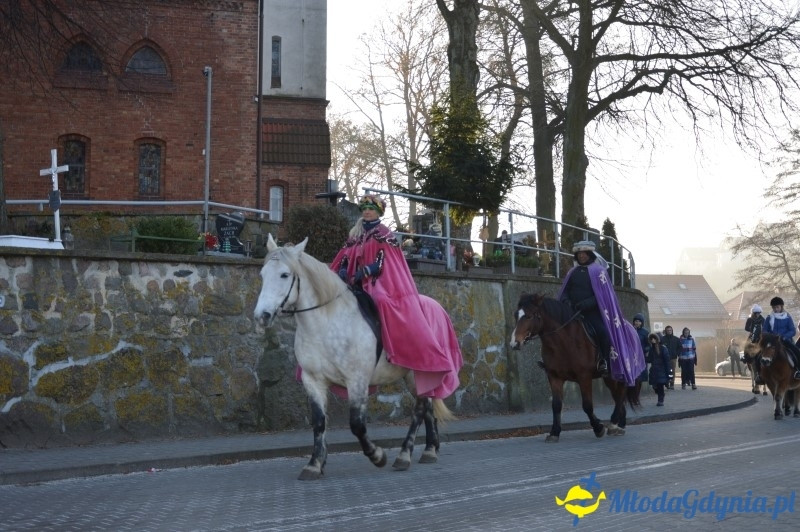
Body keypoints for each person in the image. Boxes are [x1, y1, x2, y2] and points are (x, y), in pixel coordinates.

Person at [331, 194, 462, 397]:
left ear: (378, 212)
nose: (366, 211)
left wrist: (364, 272)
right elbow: (346, 255)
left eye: (371, 208)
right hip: (354, 282)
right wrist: (343, 269)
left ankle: (392, 347)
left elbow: (382, 262)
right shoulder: (355, 234)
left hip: (378, 282)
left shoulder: (384, 233)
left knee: (382, 301)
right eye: (364, 208)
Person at [557, 240, 645, 384]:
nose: (581, 256)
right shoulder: (572, 272)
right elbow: (565, 291)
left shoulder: (599, 271)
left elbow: (603, 295)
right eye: (579, 254)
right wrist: (566, 301)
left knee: (603, 332)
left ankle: (603, 361)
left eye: (584, 254)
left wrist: (586, 304)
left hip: (593, 313)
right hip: (572, 312)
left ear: (590, 254)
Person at [761, 296, 800, 380]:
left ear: (781, 307)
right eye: (774, 307)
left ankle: (798, 371)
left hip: (785, 340)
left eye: (777, 307)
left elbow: (792, 331)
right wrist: (770, 337)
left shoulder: (787, 317)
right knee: (759, 354)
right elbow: (764, 330)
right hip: (772, 342)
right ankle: (760, 375)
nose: (775, 309)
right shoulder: (769, 317)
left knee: (796, 352)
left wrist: (784, 336)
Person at [647, 333, 671, 406]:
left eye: (654, 338)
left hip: (662, 371)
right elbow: (649, 359)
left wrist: (670, 375)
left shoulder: (663, 348)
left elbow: (667, 362)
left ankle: (660, 400)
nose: (653, 340)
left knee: (660, 386)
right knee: (655, 387)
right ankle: (661, 395)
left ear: (658, 339)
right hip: (654, 371)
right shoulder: (651, 349)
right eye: (651, 339)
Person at [744, 304, 766, 384]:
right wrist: (752, 329)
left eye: (759, 313)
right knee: (746, 346)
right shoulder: (749, 319)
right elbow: (746, 328)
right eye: (756, 313)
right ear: (753, 313)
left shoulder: (763, 319)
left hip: (760, 336)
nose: (758, 314)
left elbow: (765, 327)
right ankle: (745, 357)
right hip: (752, 335)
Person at [661, 325, 681, 389]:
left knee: (672, 371)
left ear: (672, 331)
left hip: (673, 358)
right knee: (665, 370)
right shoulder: (662, 339)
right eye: (668, 330)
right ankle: (666, 382)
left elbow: (680, 348)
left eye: (670, 330)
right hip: (664, 358)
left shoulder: (676, 339)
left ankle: (672, 383)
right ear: (666, 331)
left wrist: (677, 353)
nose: (669, 331)